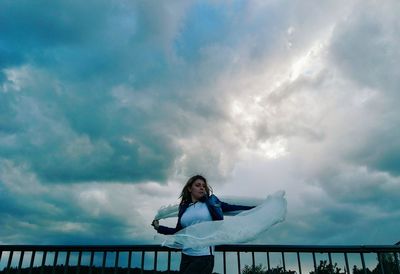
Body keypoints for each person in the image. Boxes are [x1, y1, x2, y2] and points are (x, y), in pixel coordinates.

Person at [151, 175, 255, 274]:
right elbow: (178, 232)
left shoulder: (211, 203)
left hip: (203, 256)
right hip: (186, 255)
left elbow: (234, 208)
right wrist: (159, 228)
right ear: (189, 189)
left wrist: (257, 209)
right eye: (198, 185)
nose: (202, 188)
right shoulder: (184, 208)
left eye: (203, 186)